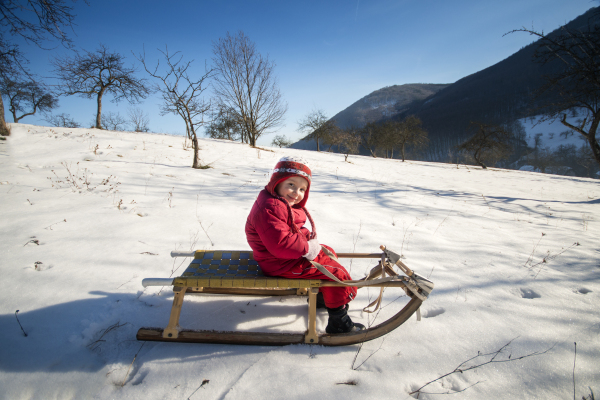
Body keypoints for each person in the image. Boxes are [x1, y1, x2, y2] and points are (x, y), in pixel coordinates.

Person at [245, 156, 365, 334]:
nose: (296, 192)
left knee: (328, 252)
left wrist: (308, 239)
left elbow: (294, 229)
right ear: (276, 182)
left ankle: (323, 299)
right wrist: (307, 248)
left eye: (302, 189)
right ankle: (339, 322)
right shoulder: (271, 208)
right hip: (279, 263)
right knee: (334, 273)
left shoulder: (282, 204)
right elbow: (281, 244)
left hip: (281, 258)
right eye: (291, 185)